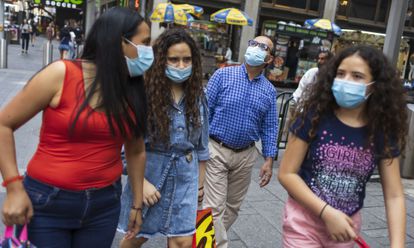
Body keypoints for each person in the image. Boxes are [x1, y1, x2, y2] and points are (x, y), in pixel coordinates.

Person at [0, 7, 152, 247]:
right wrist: (14, 188)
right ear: (118, 42)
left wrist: (136, 205)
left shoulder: (133, 89)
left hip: (104, 206)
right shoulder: (61, 74)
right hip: (47, 203)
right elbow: (3, 124)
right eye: (144, 43)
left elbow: (135, 151)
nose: (148, 52)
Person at [278, 45, 407, 247]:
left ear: (374, 86)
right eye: (340, 73)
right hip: (303, 223)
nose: (346, 81)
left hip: (346, 229)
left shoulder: (382, 130)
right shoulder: (312, 116)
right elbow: (287, 174)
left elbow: (394, 195)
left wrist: (397, 244)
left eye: (357, 76)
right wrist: (326, 213)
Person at [118, 28, 209, 248]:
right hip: (150, 176)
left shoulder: (198, 96)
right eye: (174, 60)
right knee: (134, 237)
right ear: (161, 61)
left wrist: (200, 186)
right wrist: (142, 184)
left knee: (183, 241)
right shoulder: (144, 94)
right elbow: (125, 152)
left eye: (187, 60)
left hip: (186, 179)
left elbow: (202, 147)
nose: (181, 66)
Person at [203, 36, 278, 248]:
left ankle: (205, 239)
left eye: (262, 47)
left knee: (232, 208)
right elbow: (205, 112)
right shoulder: (223, 75)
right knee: (213, 207)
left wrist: (269, 160)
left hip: (246, 155)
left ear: (269, 58)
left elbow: (270, 126)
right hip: (216, 149)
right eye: (253, 43)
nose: (255, 48)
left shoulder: (269, 91)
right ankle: (215, 244)